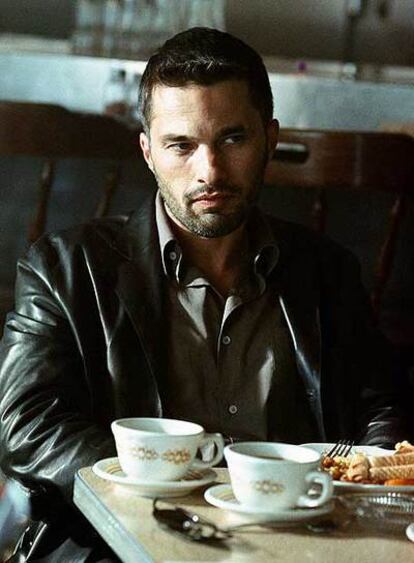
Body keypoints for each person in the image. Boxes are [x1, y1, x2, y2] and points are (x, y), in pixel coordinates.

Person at [0, 27, 407, 561]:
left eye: (232, 139)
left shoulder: (327, 271)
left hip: (295, 540)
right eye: (181, 145)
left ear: (270, 138)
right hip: (119, 544)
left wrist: (363, 481)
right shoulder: (64, 268)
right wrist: (157, 492)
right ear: (147, 151)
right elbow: (27, 422)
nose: (209, 170)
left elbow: (381, 407)